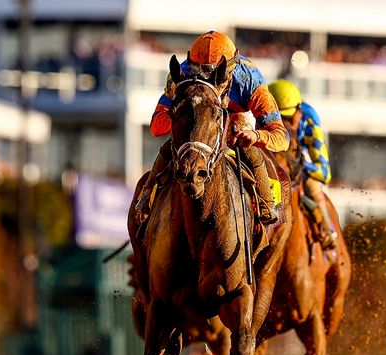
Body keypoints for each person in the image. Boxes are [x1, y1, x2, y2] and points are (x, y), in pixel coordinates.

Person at [134, 31, 289, 224]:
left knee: (252, 152)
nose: (207, 80)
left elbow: (282, 137)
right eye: (200, 72)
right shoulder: (181, 76)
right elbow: (156, 126)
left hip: (236, 120)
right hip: (200, 123)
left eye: (215, 74)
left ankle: (266, 204)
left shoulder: (251, 80)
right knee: (171, 146)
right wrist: (180, 114)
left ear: (231, 68)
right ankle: (146, 198)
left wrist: (256, 136)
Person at [267, 79, 338, 251]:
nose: (284, 126)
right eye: (277, 118)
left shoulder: (309, 124)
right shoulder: (258, 116)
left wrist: (302, 166)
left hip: (300, 166)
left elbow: (325, 173)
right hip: (269, 165)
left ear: (299, 111)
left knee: (312, 184)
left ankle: (328, 230)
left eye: (288, 119)